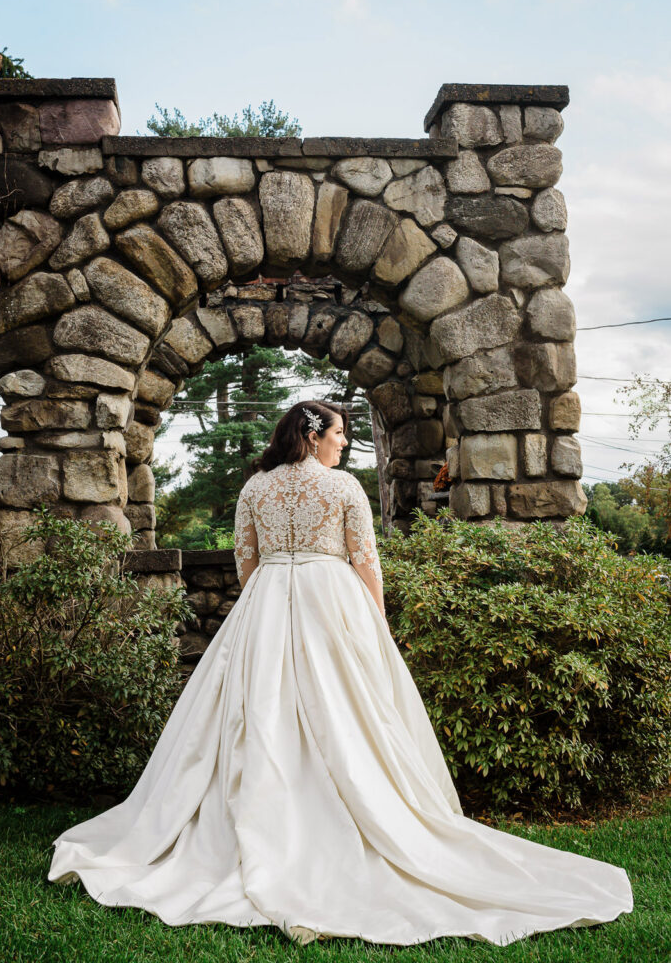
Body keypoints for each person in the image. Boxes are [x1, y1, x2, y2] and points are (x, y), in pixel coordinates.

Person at [47, 399, 634, 946]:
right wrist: (374, 624)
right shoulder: (343, 487)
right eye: (339, 434)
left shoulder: (255, 486)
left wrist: (266, 611)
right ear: (312, 434)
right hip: (333, 597)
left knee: (257, 705)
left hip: (268, 599)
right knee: (347, 708)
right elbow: (364, 558)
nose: (345, 445)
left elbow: (245, 562)